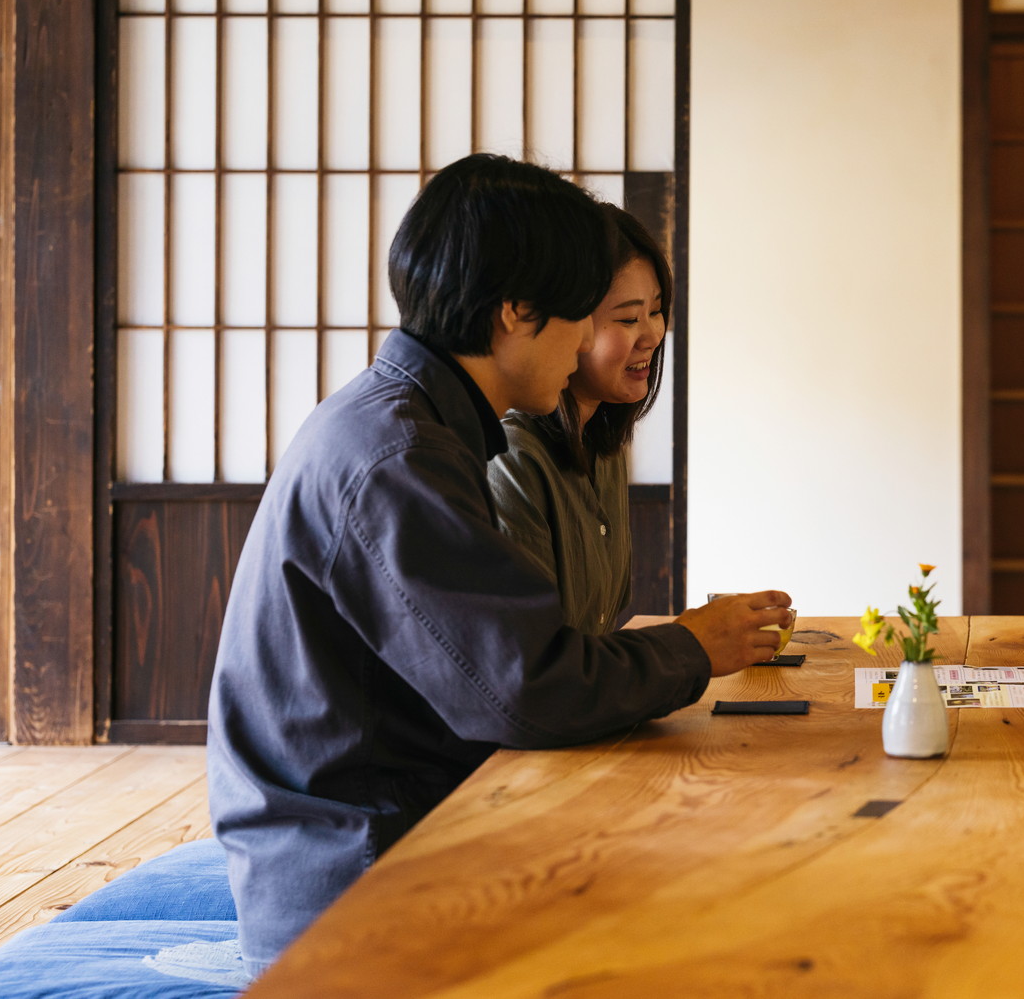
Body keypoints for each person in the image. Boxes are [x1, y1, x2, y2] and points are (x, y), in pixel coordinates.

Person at [207, 154, 792, 974]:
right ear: (516, 313)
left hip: (399, 826)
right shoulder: (401, 456)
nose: (592, 340)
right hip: (357, 876)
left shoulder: (410, 425)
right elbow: (528, 688)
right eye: (582, 316)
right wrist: (691, 646)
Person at [488, 204, 667, 634]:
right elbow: (535, 660)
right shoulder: (511, 455)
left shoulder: (602, 442)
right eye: (627, 318)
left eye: (656, 311)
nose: (652, 335)